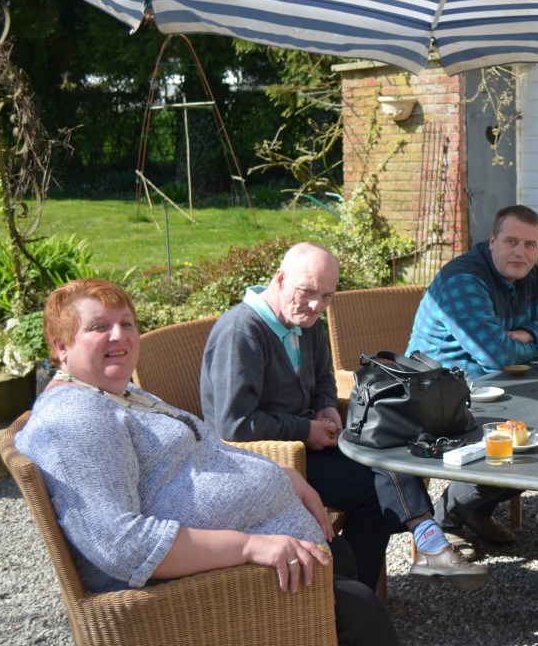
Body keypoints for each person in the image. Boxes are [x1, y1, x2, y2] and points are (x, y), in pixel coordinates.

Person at [15, 279, 431, 646]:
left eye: (127, 323)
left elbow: (205, 448)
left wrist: (286, 478)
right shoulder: (76, 422)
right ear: (61, 346)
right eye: (99, 327)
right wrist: (250, 546)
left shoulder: (112, 394)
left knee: (340, 559)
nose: (119, 336)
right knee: (356, 610)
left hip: (242, 564)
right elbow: (122, 546)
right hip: (181, 602)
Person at [201, 242, 487, 589]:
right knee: (375, 488)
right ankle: (386, 574)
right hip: (266, 462)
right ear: (279, 279)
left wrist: (324, 406)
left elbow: (323, 379)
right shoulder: (242, 331)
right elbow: (234, 425)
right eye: (307, 292)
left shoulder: (305, 322)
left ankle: (358, 592)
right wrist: (306, 429)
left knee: (383, 448)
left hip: (307, 446)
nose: (315, 305)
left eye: (326, 297)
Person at [409, 206, 538, 544]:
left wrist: (529, 334)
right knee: (531, 439)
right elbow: (497, 354)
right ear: (492, 242)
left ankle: (475, 509)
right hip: (441, 397)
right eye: (511, 241)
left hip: (501, 389)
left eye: (531, 245)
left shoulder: (529, 274)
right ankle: (447, 518)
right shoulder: (464, 281)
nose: (521, 251)